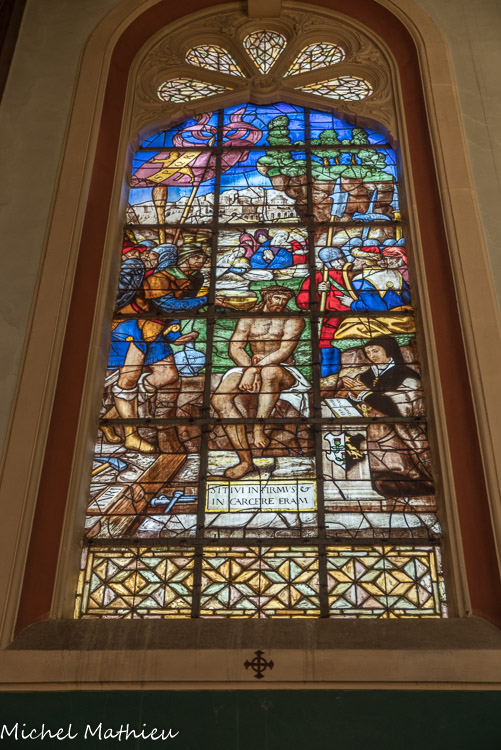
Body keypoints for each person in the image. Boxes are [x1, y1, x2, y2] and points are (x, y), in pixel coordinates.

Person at [101, 243, 206, 452]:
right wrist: (207, 300)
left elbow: (167, 311)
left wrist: (175, 336)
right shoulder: (149, 277)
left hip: (153, 329)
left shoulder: (177, 278)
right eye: (148, 254)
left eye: (152, 255)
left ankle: (111, 418)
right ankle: (131, 435)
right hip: (130, 326)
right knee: (128, 379)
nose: (149, 257)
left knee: (168, 374)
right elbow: (167, 305)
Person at [211, 286, 310, 479]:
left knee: (269, 372)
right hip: (248, 364)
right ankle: (246, 461)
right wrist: (250, 368)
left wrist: (254, 369)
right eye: (277, 298)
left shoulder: (293, 320)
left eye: (284, 299)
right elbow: (235, 348)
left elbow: (284, 352)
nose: (281, 303)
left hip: (283, 369)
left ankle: (259, 427)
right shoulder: (248, 318)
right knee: (219, 400)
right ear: (266, 296)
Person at [338, 335, 433, 497]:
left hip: (398, 434)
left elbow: (399, 405)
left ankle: (408, 476)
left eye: (375, 351)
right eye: (368, 352)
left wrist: (364, 393)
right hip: (367, 431)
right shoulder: (366, 376)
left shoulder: (406, 375)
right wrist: (354, 395)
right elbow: (361, 399)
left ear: (389, 351)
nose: (371, 356)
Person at [296, 245, 351, 377]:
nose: (339, 263)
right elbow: (302, 302)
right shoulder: (318, 277)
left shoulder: (352, 274)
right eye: (334, 261)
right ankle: (326, 377)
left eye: (340, 259)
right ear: (327, 264)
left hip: (350, 316)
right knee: (325, 347)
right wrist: (317, 292)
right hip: (328, 319)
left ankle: (334, 377)